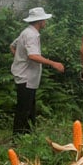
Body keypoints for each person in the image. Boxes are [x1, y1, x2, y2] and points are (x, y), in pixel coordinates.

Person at [10, 7, 64, 135]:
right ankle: (18, 137)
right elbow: (32, 56)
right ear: (40, 21)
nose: (45, 22)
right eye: (44, 20)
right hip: (26, 77)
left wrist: (19, 58)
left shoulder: (26, 32)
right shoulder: (31, 35)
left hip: (27, 76)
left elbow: (13, 46)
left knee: (29, 108)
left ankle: (28, 135)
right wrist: (53, 63)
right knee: (24, 109)